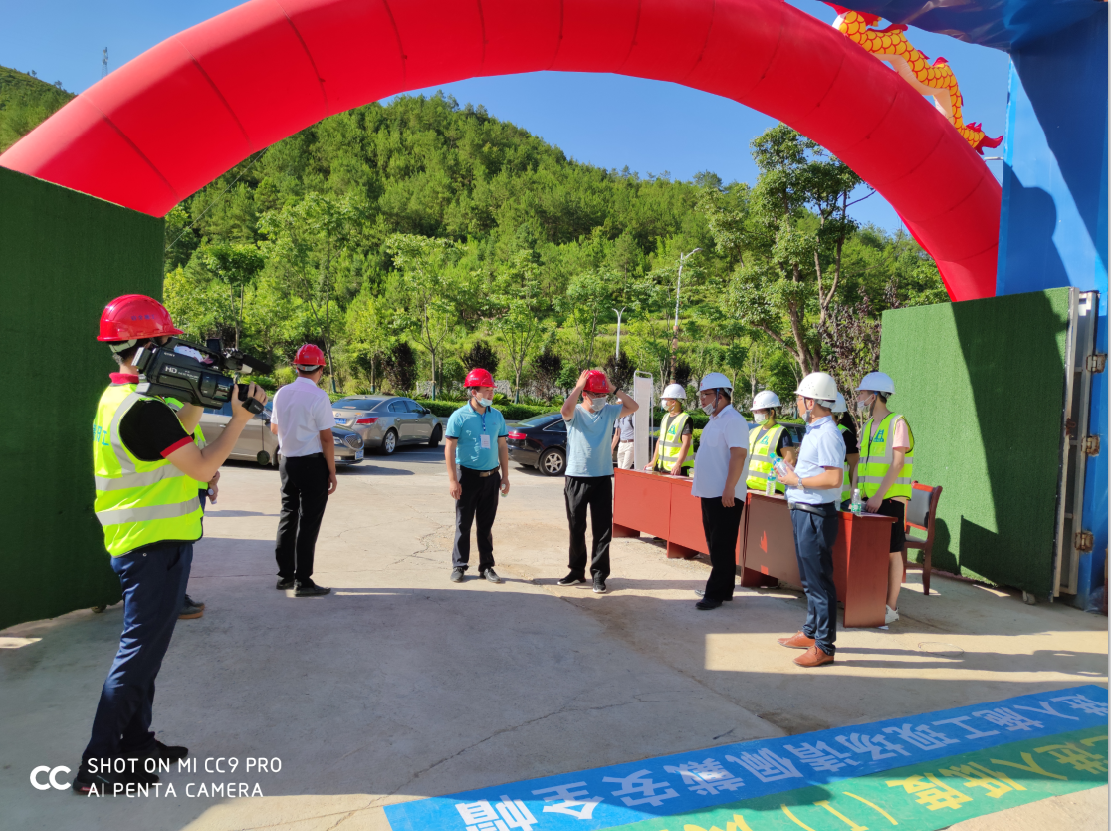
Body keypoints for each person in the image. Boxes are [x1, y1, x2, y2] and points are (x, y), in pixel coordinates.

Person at [76, 294, 266, 794]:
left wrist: (198, 393)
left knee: (148, 655)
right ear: (147, 347)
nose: (175, 352)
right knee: (137, 656)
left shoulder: (123, 398)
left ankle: (137, 744)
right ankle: (97, 764)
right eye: (168, 344)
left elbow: (176, 434)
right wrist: (239, 419)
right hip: (151, 547)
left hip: (148, 542)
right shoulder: (142, 409)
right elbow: (201, 466)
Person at [775, 372, 846, 668]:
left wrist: (798, 480)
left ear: (811, 401)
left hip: (815, 514)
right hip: (804, 510)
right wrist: (794, 475)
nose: (797, 403)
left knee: (819, 582)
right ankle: (811, 632)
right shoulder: (816, 429)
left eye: (799, 399)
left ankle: (824, 646)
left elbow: (834, 478)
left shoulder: (827, 432)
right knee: (809, 579)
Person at [557, 369, 638, 594]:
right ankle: (576, 571)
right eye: (597, 395)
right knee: (576, 527)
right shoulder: (575, 413)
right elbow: (564, 410)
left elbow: (633, 407)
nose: (602, 399)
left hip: (602, 477)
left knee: (602, 529)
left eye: (604, 395)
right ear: (585, 394)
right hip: (576, 477)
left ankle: (599, 575)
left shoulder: (609, 412)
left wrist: (613, 389)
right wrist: (578, 386)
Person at [270, 344, 336, 598]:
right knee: (309, 522)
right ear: (320, 369)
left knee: (288, 516)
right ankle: (303, 580)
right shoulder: (318, 396)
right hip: (312, 463)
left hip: (287, 462)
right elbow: (327, 438)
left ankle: (285, 576)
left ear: (296, 367)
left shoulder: (281, 393)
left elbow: (275, 429)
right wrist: (331, 472)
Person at [855, 371, 914, 625]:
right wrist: (856, 494)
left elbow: (898, 463)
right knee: (871, 551)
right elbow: (860, 465)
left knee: (892, 553)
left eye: (862, 393)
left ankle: (891, 608)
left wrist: (878, 496)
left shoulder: (897, 423)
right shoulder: (868, 426)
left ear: (875, 395)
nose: (859, 397)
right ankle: (869, 600)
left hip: (889, 500)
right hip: (867, 500)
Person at [690, 373, 749, 610]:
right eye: (701, 395)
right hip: (711, 493)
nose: (702, 400)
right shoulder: (715, 420)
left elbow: (739, 455)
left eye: (706, 395)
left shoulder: (733, 420)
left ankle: (714, 594)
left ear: (720, 395)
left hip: (724, 494)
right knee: (717, 543)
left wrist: (729, 487)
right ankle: (725, 589)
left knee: (721, 544)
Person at [445, 368, 510, 584]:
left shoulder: (497, 416)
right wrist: (453, 480)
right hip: (467, 477)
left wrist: (505, 476)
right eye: (487, 390)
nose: (491, 394)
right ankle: (459, 565)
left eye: (492, 390)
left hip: (491, 477)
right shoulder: (459, 416)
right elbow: (449, 448)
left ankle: (487, 566)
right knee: (463, 524)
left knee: (486, 525)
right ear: (474, 392)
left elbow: (502, 446)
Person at [165, 397, 218, 620]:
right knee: (177, 550)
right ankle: (174, 602)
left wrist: (210, 478)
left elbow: (197, 448)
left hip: (195, 486)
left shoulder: (182, 404)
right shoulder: (170, 406)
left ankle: (178, 596)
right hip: (183, 489)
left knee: (184, 549)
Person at [745, 391, 794, 493]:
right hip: (749, 488)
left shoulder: (781, 432)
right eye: (755, 412)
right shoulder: (752, 432)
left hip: (771, 490)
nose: (756, 415)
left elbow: (790, 461)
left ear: (771, 413)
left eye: (759, 412)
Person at [645, 383, 693, 476]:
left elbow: (686, 444)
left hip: (677, 470)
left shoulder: (686, 419)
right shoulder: (665, 417)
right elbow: (660, 440)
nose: (663, 402)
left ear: (674, 402)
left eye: (665, 400)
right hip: (662, 467)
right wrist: (654, 461)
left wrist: (678, 464)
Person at [830, 393, 859, 508]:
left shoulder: (845, 434)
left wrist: (854, 499)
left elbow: (854, 466)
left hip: (842, 500)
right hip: (823, 497)